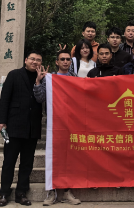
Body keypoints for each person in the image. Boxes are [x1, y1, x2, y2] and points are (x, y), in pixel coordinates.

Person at [0, 51, 46, 206]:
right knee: (9, 161)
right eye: (32, 59)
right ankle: (4, 193)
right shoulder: (14, 75)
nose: (35, 62)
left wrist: (40, 81)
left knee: (27, 162)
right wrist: (1, 121)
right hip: (14, 125)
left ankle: (21, 193)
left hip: (32, 126)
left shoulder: (43, 78)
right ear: (26, 60)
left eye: (38, 60)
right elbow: (5, 98)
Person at [35, 50, 81, 206]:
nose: (65, 61)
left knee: (70, 158)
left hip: (72, 124)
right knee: (53, 157)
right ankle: (51, 192)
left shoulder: (75, 79)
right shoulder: (49, 78)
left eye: (68, 59)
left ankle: (67, 191)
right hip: (54, 124)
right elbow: (40, 98)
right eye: (62, 59)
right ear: (57, 62)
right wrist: (38, 82)